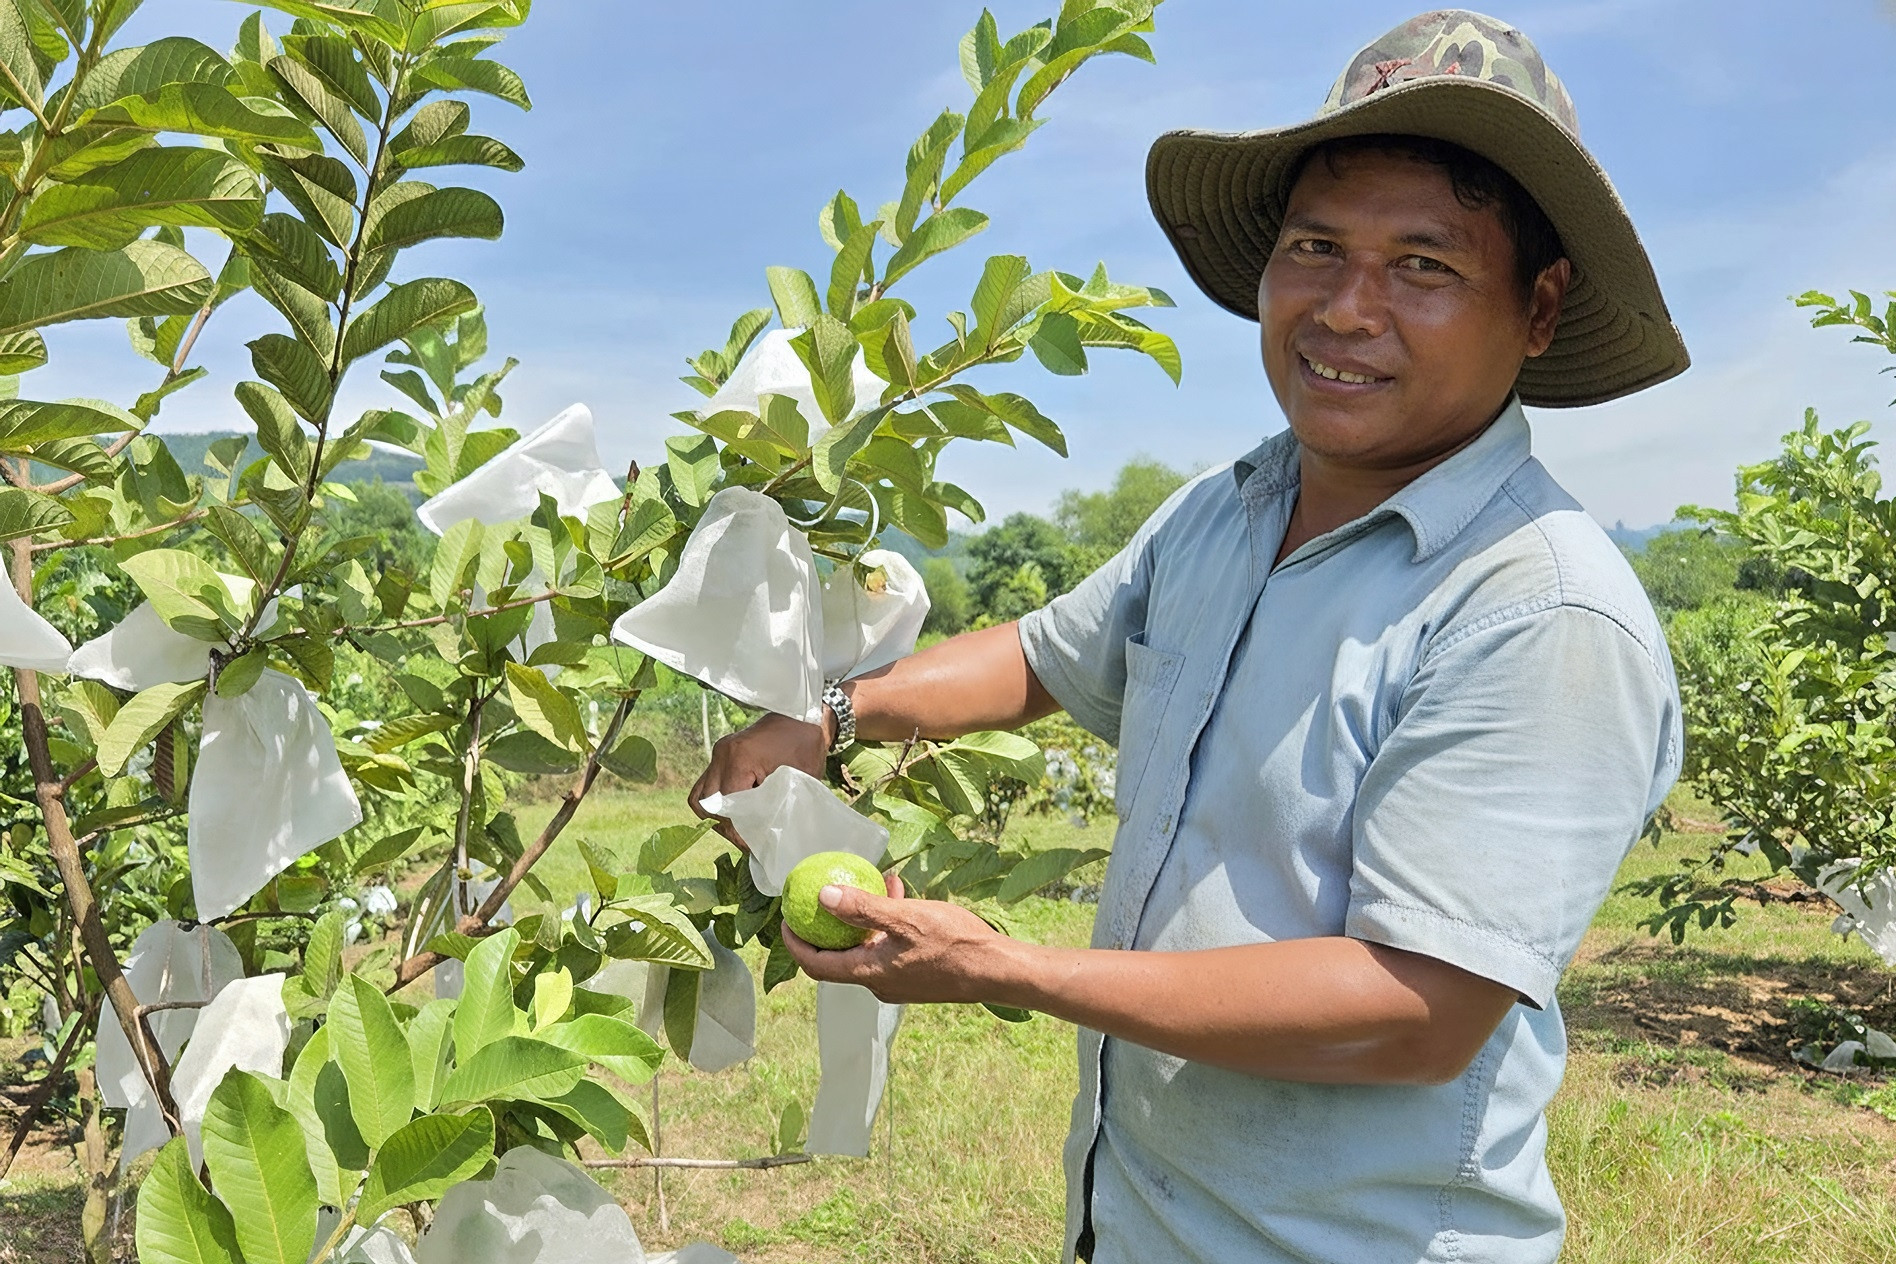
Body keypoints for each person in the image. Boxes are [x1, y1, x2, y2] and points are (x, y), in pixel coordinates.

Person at [691, 11, 1686, 1263]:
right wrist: (831, 717)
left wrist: (1014, 968)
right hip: (1142, 1220)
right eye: (1316, 247)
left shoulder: (1540, 610)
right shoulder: (1225, 512)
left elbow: (1414, 1008)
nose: (1347, 307)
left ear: (1538, 309)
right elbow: (1044, 655)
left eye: (1424, 265)